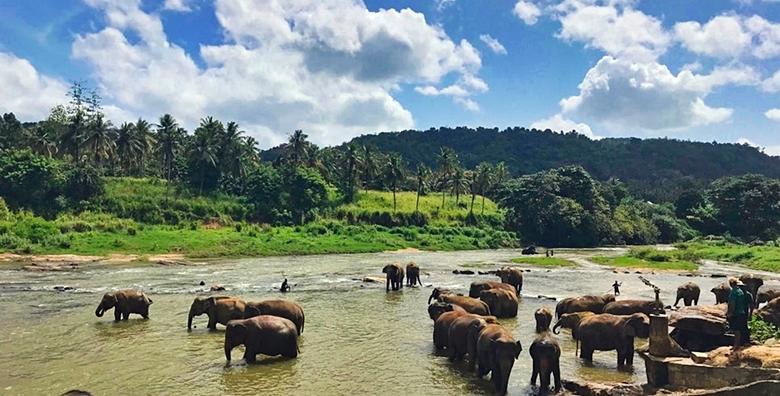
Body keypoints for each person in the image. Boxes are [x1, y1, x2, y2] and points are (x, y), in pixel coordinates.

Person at [727, 278, 753, 349]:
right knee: (741, 328)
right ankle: (740, 344)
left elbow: (732, 303)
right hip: (742, 312)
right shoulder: (741, 292)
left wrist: (730, 313)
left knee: (736, 330)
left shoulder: (734, 292)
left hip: (736, 313)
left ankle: (737, 345)